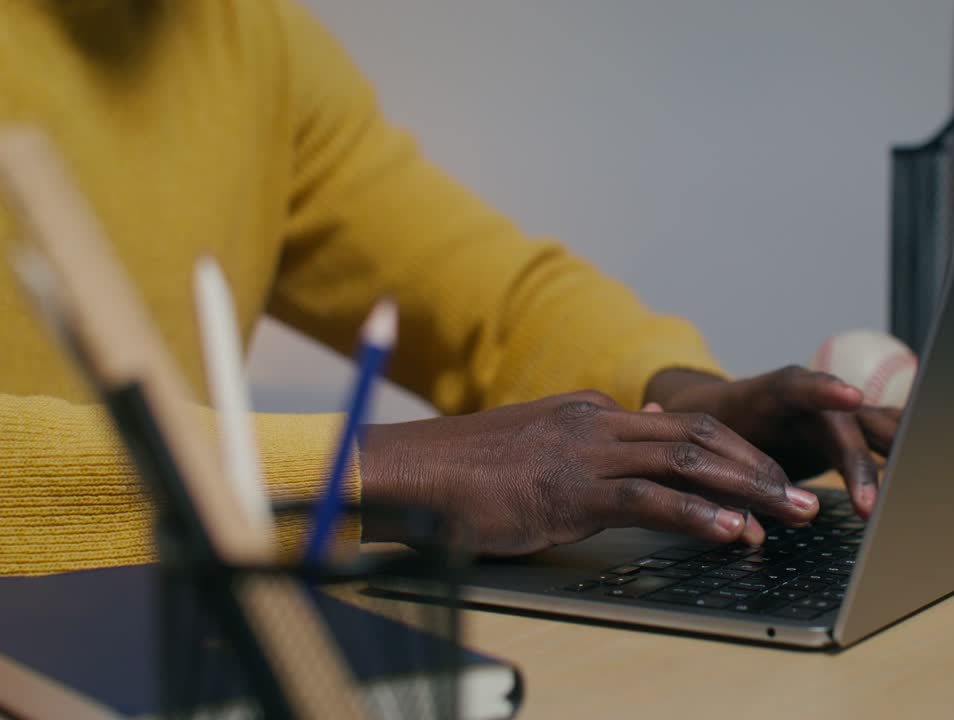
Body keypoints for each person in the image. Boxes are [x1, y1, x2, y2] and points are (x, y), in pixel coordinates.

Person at [0, 0, 897, 575]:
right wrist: (379, 471)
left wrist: (682, 404)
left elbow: (490, 300)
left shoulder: (242, 36)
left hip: (166, 626)